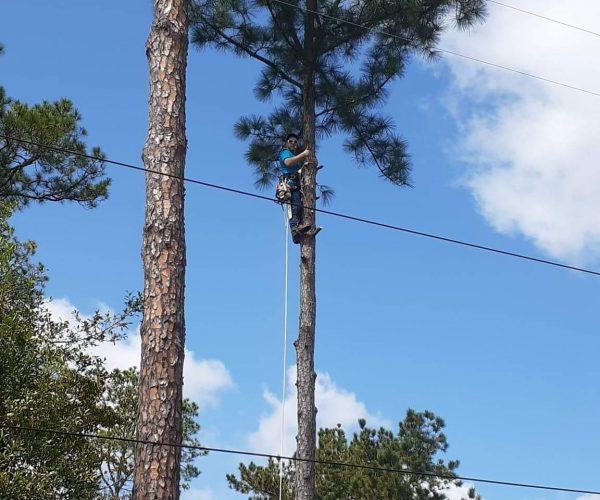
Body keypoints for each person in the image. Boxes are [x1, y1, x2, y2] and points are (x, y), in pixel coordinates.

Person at [278, 133, 313, 244]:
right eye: (290, 141)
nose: (293, 143)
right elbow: (288, 162)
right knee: (295, 208)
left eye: (295, 142)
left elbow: (299, 169)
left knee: (299, 207)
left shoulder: (296, 158)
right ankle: (295, 230)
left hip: (297, 185)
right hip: (289, 184)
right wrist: (303, 154)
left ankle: (299, 227)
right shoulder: (285, 153)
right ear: (286, 143)